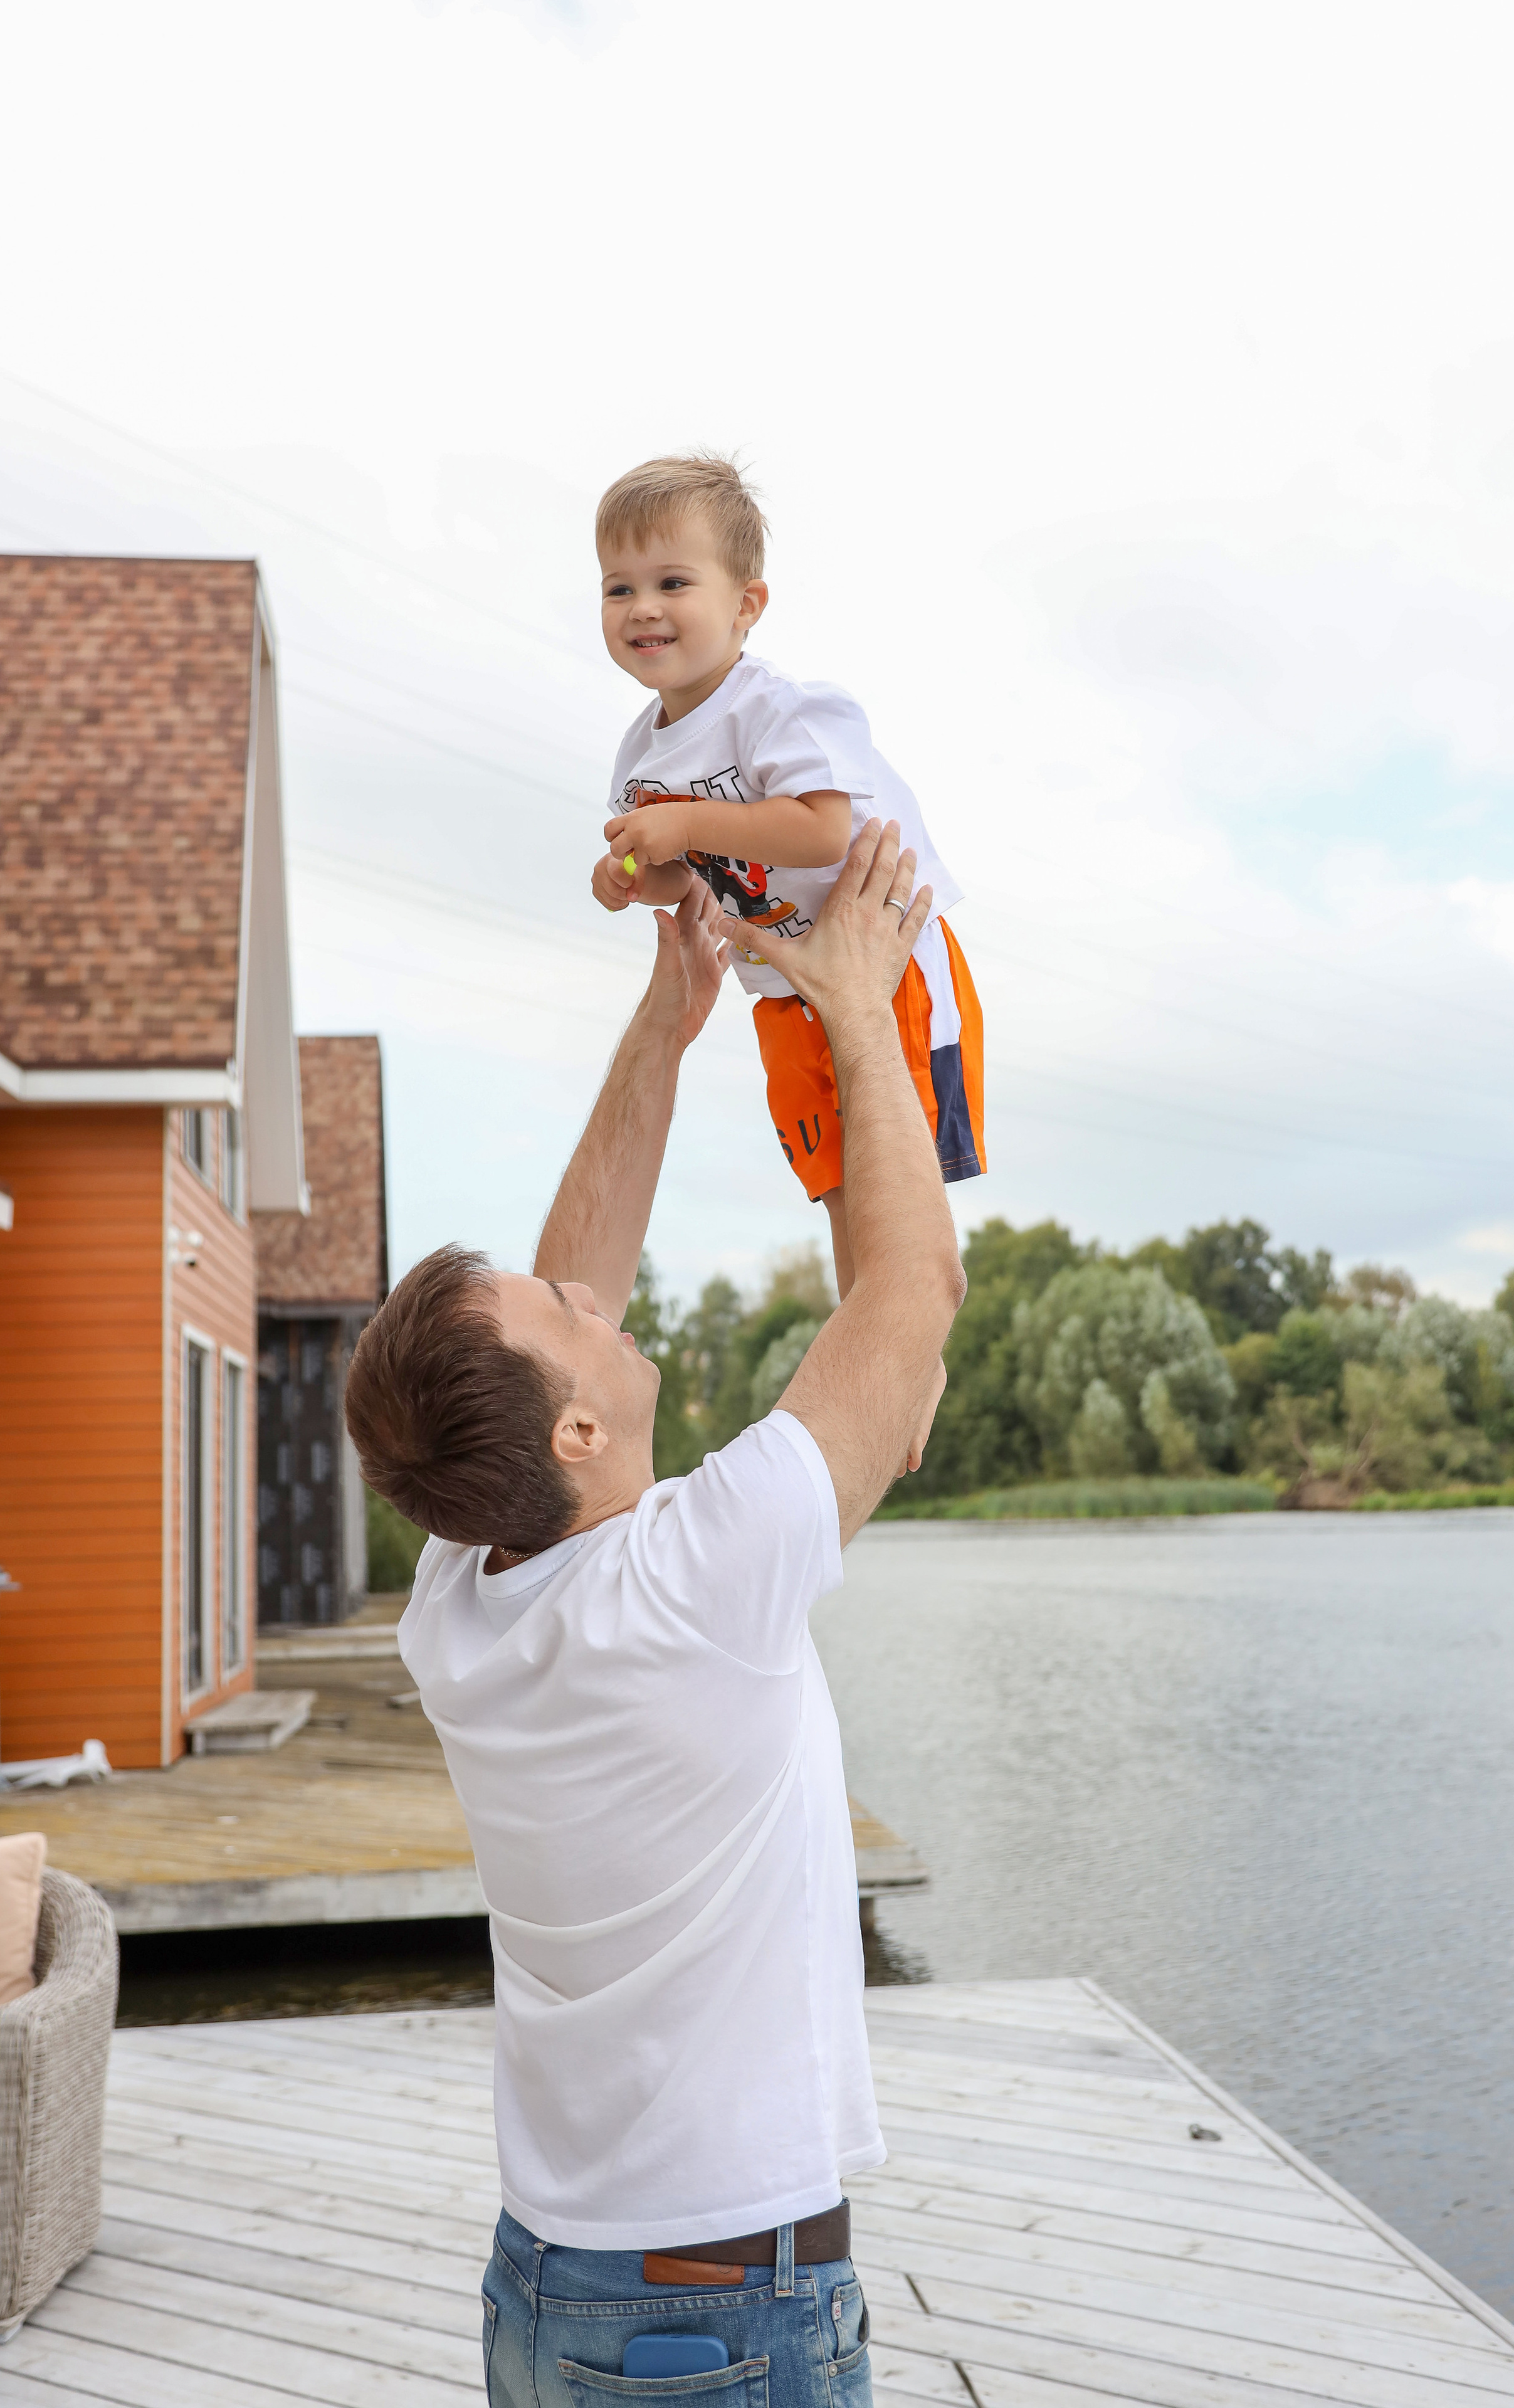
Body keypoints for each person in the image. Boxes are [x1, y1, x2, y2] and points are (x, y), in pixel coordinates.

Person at [344, 827, 965, 2408]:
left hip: (557, 2287)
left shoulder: (465, 1598)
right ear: (564, 1438)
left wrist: (669, 1011)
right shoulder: (700, 1576)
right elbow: (909, 1302)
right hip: (717, 2319)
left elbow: (571, 1289)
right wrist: (854, 1005)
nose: (590, 1299)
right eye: (561, 1322)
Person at [591, 452, 985, 1307]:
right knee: (839, 1186)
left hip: (885, 964)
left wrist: (685, 823)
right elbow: (673, 875)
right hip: (782, 988)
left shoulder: (780, 709)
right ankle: (869, 1344)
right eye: (618, 589)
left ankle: (916, 1356)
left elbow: (820, 827)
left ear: (746, 605)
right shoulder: (641, 752)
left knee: (896, 1173)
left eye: (671, 582)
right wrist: (629, 876)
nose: (642, 607)